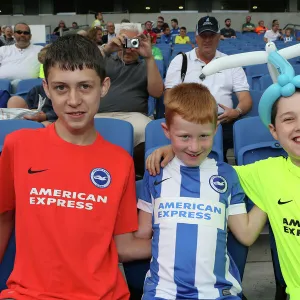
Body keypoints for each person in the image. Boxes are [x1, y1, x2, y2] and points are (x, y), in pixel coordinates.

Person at [0, 34, 151, 300]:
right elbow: (2, 219)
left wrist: (184, 236)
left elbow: (123, 244)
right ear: (46, 88)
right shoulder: (18, 146)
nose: (73, 100)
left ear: (103, 87)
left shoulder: (120, 161)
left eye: (84, 86)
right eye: (61, 88)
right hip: (29, 295)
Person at [145, 52, 300, 300]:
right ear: (273, 130)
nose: (298, 126)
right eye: (289, 119)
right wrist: (173, 147)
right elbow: (203, 169)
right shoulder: (266, 174)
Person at [136, 82, 266, 300]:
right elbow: (142, 234)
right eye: (184, 137)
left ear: (216, 130)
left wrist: (269, 193)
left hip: (219, 293)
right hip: (162, 293)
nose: (194, 147)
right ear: (167, 131)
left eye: (204, 136)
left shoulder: (226, 175)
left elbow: (246, 234)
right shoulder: (156, 171)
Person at [165, 16, 252, 161]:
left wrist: (236, 112)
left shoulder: (230, 62)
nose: (207, 39)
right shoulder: (181, 61)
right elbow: (169, 97)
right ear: (196, 37)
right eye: (203, 35)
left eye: (211, 35)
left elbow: (246, 99)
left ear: (218, 37)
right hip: (188, 121)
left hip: (223, 122)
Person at [98, 23, 163, 152]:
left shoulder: (146, 65)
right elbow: (81, 71)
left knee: (149, 131)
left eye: (133, 42)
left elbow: (157, 93)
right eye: (124, 42)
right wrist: (106, 50)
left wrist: (149, 57)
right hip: (99, 115)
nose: (128, 48)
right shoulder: (104, 60)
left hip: (134, 117)